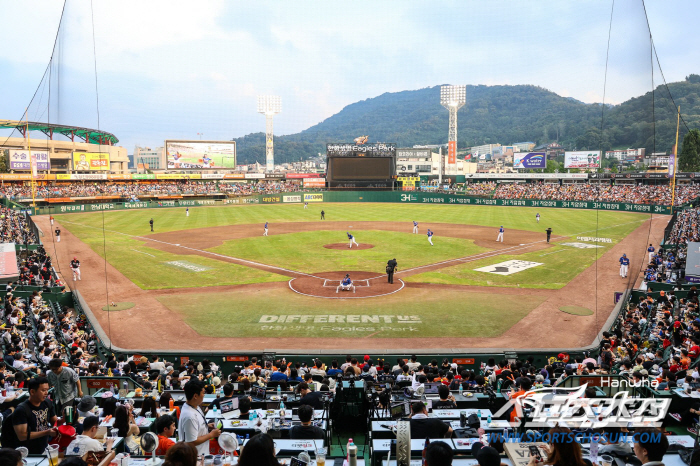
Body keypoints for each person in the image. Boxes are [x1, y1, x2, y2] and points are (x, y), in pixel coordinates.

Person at [12, 377, 58, 454]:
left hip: (44, 448)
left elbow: (55, 422)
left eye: (47, 390)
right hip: (28, 453)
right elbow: (22, 436)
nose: (46, 393)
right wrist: (47, 432)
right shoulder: (22, 410)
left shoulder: (47, 403)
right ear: (32, 392)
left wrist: (65, 419)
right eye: (43, 390)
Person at [179, 379, 220, 456]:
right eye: (203, 393)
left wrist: (206, 426)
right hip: (195, 456)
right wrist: (211, 435)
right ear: (195, 396)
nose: (204, 395)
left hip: (201, 453)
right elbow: (191, 441)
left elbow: (194, 427)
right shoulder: (189, 416)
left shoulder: (195, 406)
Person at [526, 426, 592, 466]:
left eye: (549, 442)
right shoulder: (587, 463)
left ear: (553, 445)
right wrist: (553, 457)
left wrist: (530, 463)